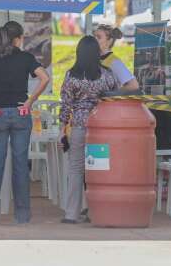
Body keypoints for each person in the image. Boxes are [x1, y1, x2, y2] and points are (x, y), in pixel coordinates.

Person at [0, 21, 50, 224]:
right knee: (21, 164)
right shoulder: (26, 58)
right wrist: (30, 101)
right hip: (20, 113)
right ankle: (22, 215)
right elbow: (44, 78)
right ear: (18, 39)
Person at [59, 36, 119, 223]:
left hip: (78, 126)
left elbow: (66, 105)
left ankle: (71, 214)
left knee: (76, 169)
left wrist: (62, 130)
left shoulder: (71, 75)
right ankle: (96, 211)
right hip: (100, 127)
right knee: (98, 169)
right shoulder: (107, 75)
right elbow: (114, 98)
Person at [94, 24, 140, 90]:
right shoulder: (95, 58)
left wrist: (111, 94)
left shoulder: (114, 62)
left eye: (98, 37)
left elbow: (133, 85)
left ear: (109, 41)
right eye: (94, 36)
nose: (94, 39)